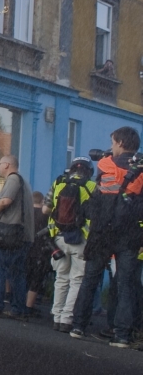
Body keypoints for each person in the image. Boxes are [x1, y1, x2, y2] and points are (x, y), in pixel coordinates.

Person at [70, 127, 143, 346]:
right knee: (126, 285)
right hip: (130, 234)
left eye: (113, 142)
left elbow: (98, 200)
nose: (111, 146)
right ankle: (121, 334)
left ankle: (78, 326)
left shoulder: (106, 166)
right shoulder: (140, 169)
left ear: (120, 143)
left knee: (90, 280)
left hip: (102, 232)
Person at [0, 155, 35, 320]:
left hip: (11, 235)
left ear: (8, 165)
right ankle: (18, 309)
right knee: (17, 274)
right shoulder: (24, 181)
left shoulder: (13, 179)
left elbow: (5, 201)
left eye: (0, 164)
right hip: (24, 236)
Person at [45, 158, 95, 332]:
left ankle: (56, 316)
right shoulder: (91, 186)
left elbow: (45, 209)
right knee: (77, 280)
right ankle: (67, 319)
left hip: (58, 238)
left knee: (61, 278)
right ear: (89, 171)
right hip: (81, 240)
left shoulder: (58, 182)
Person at [25, 191, 52, 318]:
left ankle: (19, 303)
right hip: (40, 250)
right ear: (42, 202)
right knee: (36, 280)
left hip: (25, 248)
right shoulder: (45, 216)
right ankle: (29, 306)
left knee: (24, 276)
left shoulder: (25, 214)